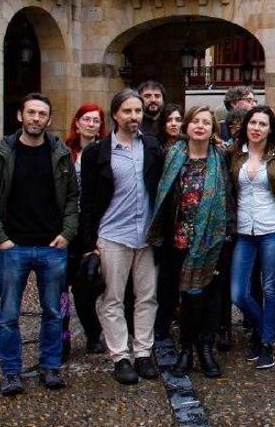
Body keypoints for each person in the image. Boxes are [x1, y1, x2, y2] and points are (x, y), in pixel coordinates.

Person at [0, 93, 78, 395]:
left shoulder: (59, 153)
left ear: (48, 118)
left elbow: (73, 197)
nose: (36, 119)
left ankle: (50, 366)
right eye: (31, 113)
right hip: (13, 247)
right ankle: (11, 372)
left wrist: (67, 233)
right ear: (20, 116)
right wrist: (1, 238)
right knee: (9, 315)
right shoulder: (1, 153)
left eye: (42, 114)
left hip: (52, 246)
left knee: (53, 312)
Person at [80, 89, 164, 385]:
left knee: (147, 297)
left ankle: (143, 352)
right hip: (113, 235)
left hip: (146, 237)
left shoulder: (153, 147)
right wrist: (90, 244)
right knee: (112, 298)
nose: (134, 117)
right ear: (115, 114)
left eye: (138, 111)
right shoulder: (97, 152)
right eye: (127, 111)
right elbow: (88, 201)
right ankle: (120, 356)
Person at [148, 106, 233, 378]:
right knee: (187, 297)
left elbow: (233, 195)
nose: (200, 126)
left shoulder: (222, 156)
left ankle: (206, 350)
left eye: (206, 122)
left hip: (214, 239)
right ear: (186, 126)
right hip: (180, 239)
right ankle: (186, 349)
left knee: (211, 296)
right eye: (195, 121)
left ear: (213, 129)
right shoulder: (172, 155)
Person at [229, 105, 275, 369]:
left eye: (262, 124)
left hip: (272, 228)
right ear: (246, 126)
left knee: (270, 286)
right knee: (238, 293)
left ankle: (266, 341)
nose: (256, 128)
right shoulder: (234, 155)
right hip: (244, 230)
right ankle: (264, 326)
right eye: (253, 123)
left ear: (270, 129)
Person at [62, 103, 108, 358]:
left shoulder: (105, 153)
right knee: (60, 286)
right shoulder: (64, 152)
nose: (91, 124)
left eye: (96, 121)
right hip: (65, 227)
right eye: (87, 119)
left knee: (86, 286)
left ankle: (93, 334)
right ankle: (62, 337)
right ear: (77, 122)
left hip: (90, 228)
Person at [153, 102, 185, 345]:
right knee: (165, 279)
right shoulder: (155, 149)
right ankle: (161, 327)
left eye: (178, 119)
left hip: (185, 221)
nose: (174, 123)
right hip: (164, 223)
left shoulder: (188, 148)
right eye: (169, 120)